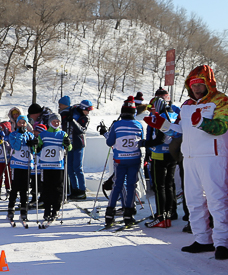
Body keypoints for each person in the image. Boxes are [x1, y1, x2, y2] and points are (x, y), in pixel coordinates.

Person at [145, 65, 228, 259]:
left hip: (213, 157)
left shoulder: (221, 101)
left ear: (208, 83)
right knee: (193, 200)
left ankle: (222, 243)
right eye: (193, 84)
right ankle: (202, 239)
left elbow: (221, 126)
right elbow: (179, 130)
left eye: (200, 83)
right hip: (190, 157)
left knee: (216, 200)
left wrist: (202, 122)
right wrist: (163, 126)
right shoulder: (186, 105)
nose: (196, 87)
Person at [101, 99, 144, 229]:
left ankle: (109, 215)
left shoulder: (117, 125)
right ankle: (128, 215)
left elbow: (109, 142)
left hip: (120, 160)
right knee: (131, 186)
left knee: (117, 185)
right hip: (134, 159)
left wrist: (106, 132)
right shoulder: (139, 124)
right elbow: (141, 140)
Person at [143, 89, 178, 228]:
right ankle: (169, 213)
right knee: (169, 185)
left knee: (159, 187)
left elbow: (160, 138)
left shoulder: (160, 116)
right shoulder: (173, 114)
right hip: (173, 154)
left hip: (160, 155)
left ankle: (160, 216)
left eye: (151, 109)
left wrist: (144, 143)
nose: (150, 112)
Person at [35, 113, 72, 225]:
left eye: (58, 122)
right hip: (46, 166)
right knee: (46, 188)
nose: (56, 123)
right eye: (54, 121)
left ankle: (55, 210)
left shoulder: (62, 134)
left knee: (58, 189)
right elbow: (38, 148)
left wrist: (68, 144)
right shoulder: (44, 134)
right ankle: (47, 210)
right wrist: (37, 145)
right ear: (50, 122)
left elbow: (69, 148)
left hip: (58, 165)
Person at [5, 115, 36, 225]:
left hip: (27, 165)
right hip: (17, 164)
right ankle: (11, 208)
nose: (22, 125)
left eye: (24, 123)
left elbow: (34, 150)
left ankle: (24, 210)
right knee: (15, 188)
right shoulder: (13, 134)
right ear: (16, 124)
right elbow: (16, 146)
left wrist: (33, 144)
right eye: (20, 123)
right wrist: (20, 135)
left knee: (25, 189)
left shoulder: (30, 135)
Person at [67, 100, 92, 199]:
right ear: (82, 108)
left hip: (78, 145)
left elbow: (81, 130)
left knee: (77, 167)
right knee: (69, 168)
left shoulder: (85, 118)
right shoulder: (73, 111)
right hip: (69, 144)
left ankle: (82, 189)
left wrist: (72, 121)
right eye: (87, 110)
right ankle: (74, 189)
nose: (88, 112)